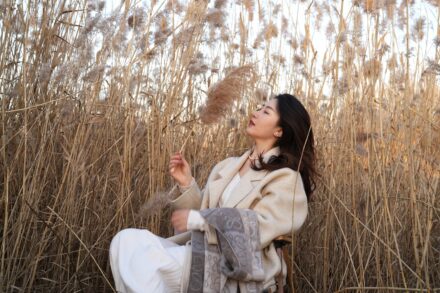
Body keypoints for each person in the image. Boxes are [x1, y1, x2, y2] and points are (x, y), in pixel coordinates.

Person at [109, 93, 317, 293]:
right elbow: (198, 215)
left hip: (233, 267)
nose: (255, 113)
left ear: (279, 130)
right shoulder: (227, 167)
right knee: (125, 241)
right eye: (258, 108)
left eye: (266, 112)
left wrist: (201, 221)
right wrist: (187, 183)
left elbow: (262, 226)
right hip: (199, 251)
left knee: (147, 262)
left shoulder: (285, 178)